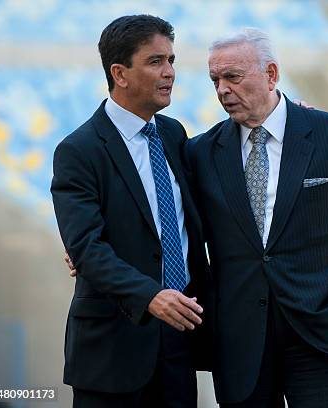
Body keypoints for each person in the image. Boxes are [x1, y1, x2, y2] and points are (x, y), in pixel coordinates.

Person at [184, 28, 328, 407]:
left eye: (233, 77)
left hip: (324, 334)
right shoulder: (199, 153)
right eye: (215, 80)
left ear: (271, 74)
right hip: (241, 344)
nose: (222, 90)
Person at [51, 15, 211, 407]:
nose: (170, 72)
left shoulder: (174, 134)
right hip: (112, 350)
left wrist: (291, 117)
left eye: (171, 60)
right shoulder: (79, 150)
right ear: (119, 74)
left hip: (178, 344)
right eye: (156, 61)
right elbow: (87, 247)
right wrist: (150, 295)